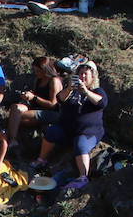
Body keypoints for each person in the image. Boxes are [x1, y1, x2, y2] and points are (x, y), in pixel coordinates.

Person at [35, 62, 108, 190]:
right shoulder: (71, 91)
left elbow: (102, 102)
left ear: (92, 77)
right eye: (80, 74)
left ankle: (82, 176)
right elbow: (60, 99)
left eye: (86, 74)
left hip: (88, 133)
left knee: (80, 144)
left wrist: (85, 91)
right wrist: (69, 89)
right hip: (67, 130)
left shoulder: (97, 91)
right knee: (52, 132)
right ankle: (41, 160)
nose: (83, 76)